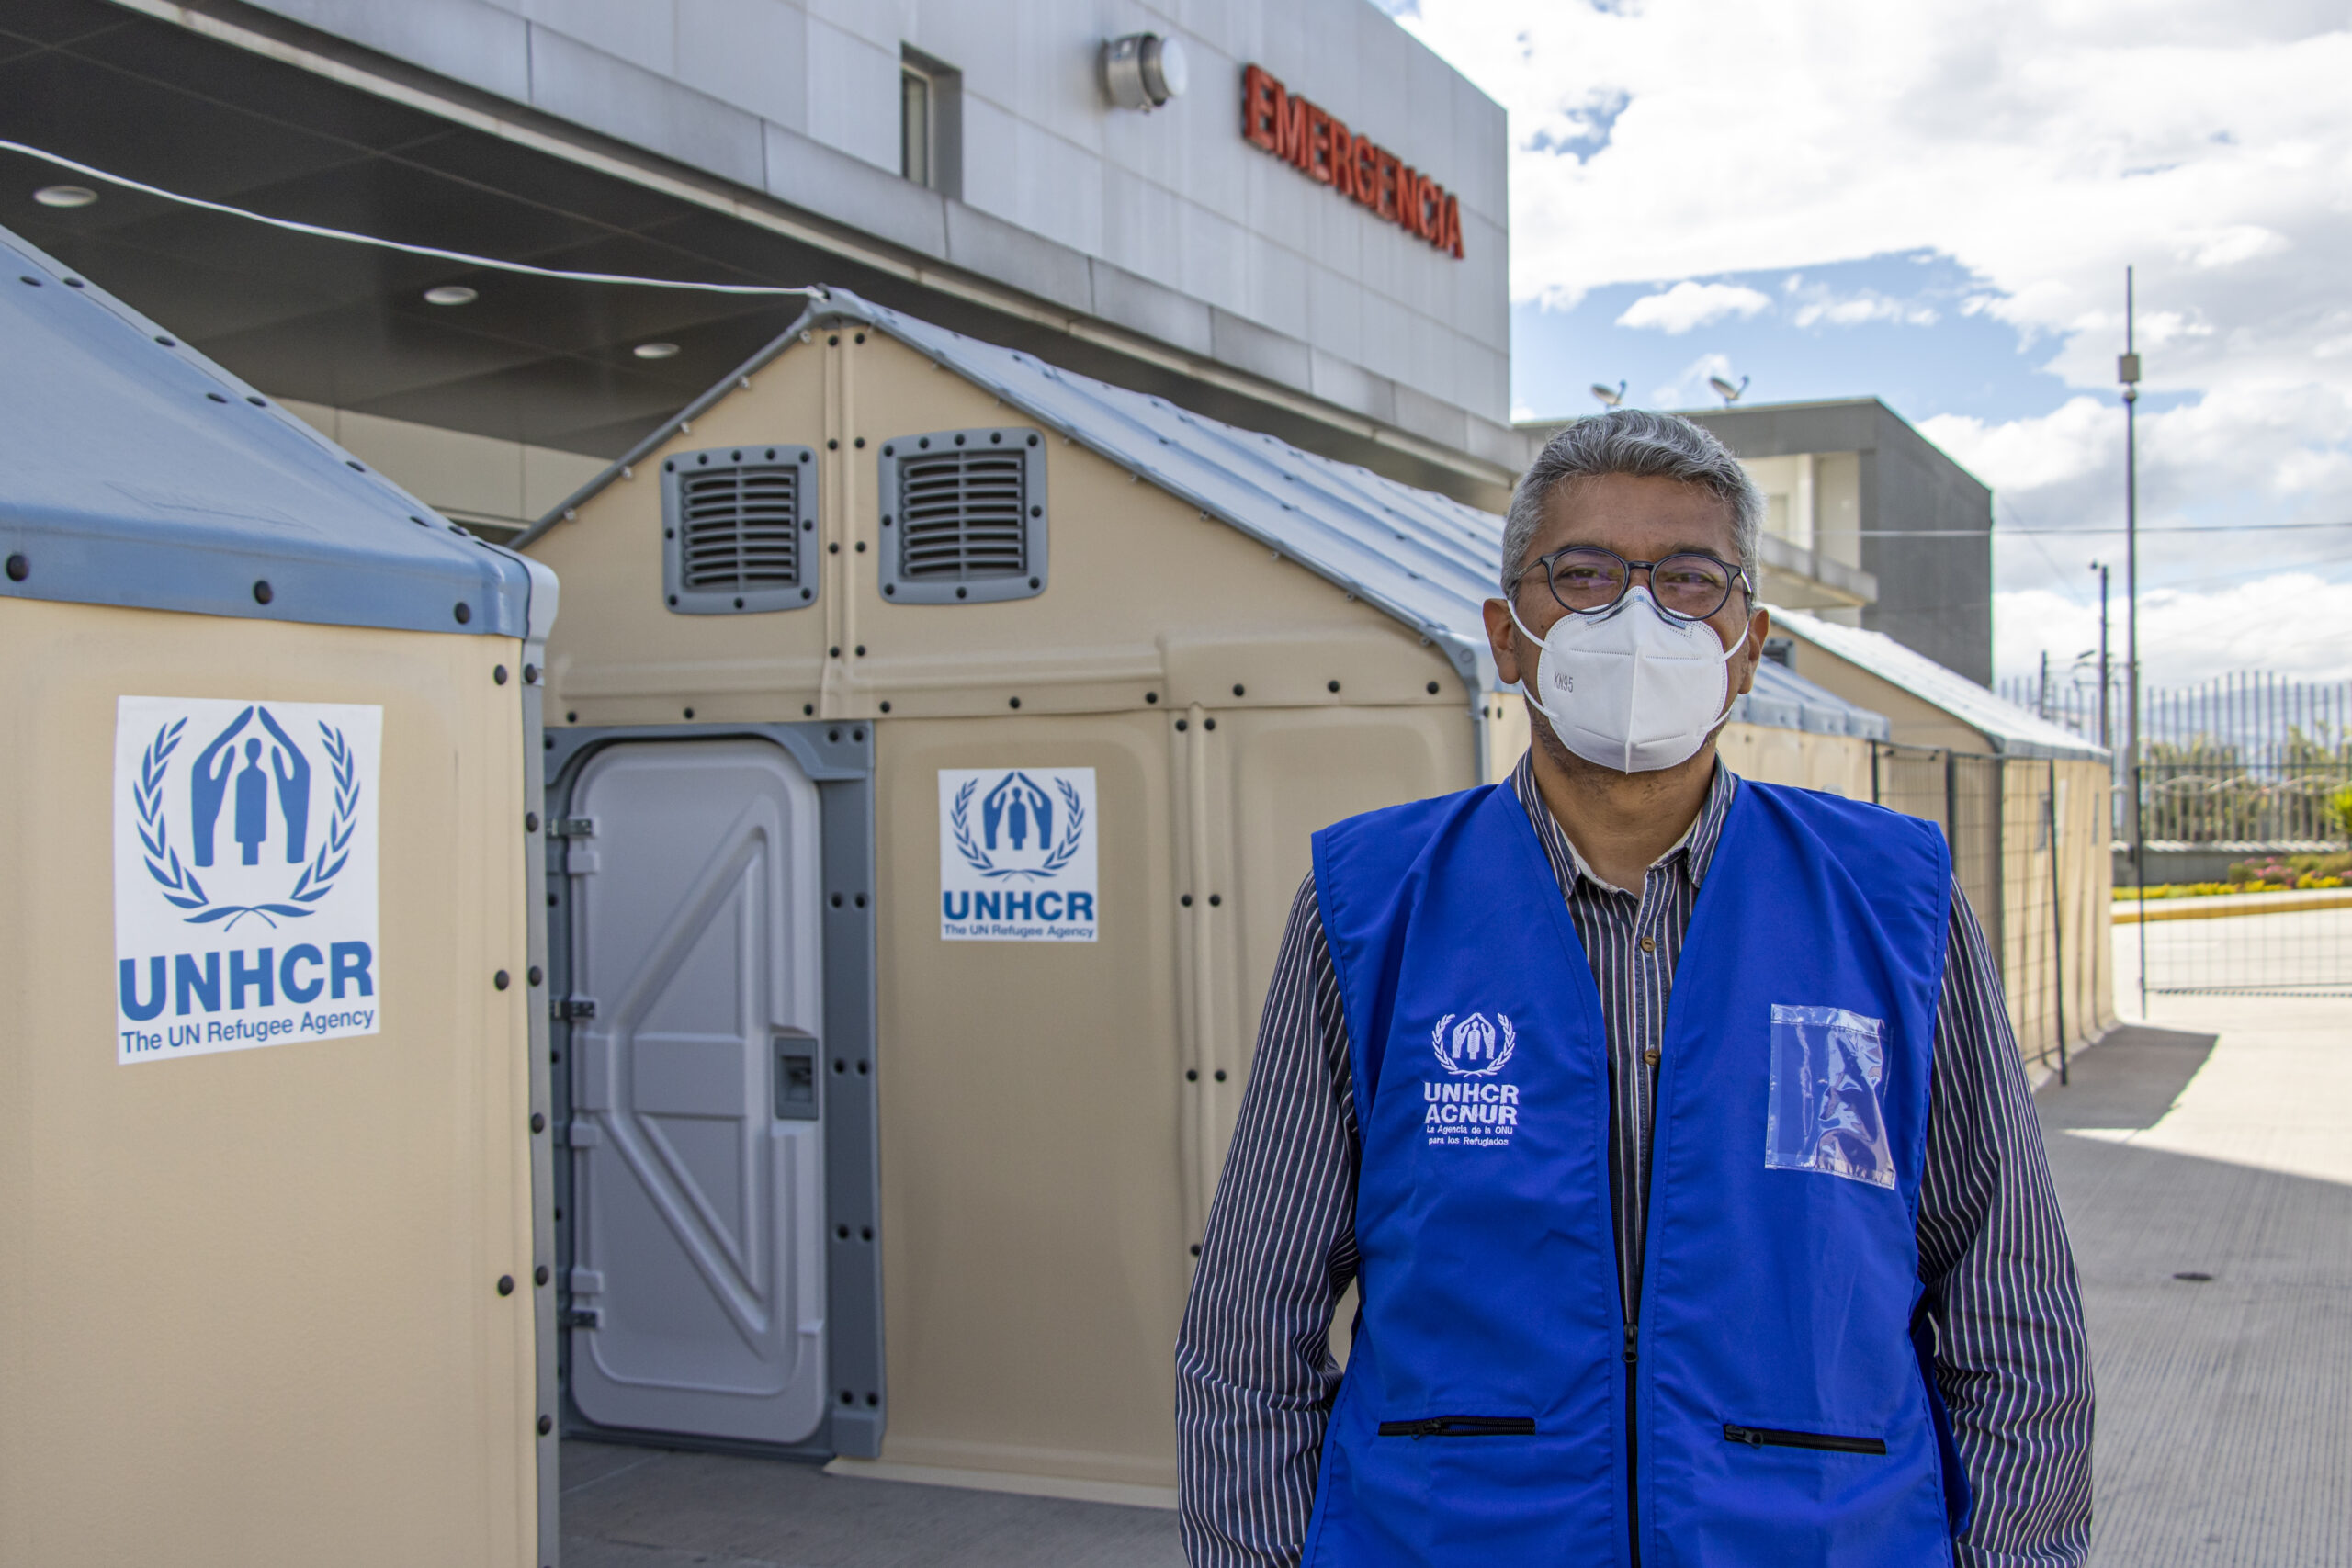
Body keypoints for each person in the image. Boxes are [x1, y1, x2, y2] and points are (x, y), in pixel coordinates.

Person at [1174, 411, 2091, 1566]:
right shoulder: (1373, 906)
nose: (1639, 617)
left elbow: (2009, 1307)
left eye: (1689, 581)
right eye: (1586, 575)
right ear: (1507, 636)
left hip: (1818, 1537)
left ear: (1748, 644)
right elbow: (1254, 1323)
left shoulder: (1891, 903)